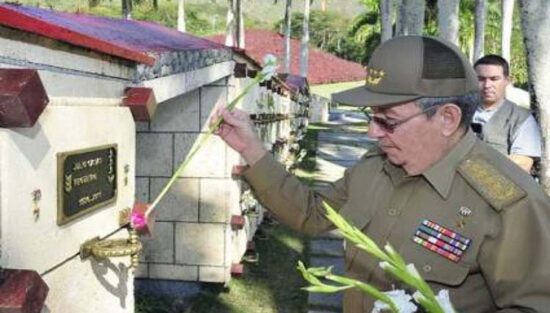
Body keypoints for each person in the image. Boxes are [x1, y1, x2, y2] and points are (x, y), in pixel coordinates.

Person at [214, 36, 550, 312]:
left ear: (447, 118)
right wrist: (251, 148)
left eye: (388, 121)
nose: (373, 133)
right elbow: (312, 214)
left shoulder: (508, 203)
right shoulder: (376, 166)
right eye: (370, 117)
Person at [473, 54, 541, 173]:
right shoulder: (458, 112)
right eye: (481, 79)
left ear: (507, 81)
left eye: (494, 79)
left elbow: (523, 164)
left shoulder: (521, 118)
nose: (487, 85)